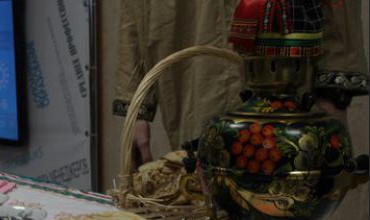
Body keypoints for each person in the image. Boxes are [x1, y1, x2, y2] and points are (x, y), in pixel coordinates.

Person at [113, 0, 369, 171]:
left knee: (284, 198)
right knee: (200, 192)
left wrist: (334, 90)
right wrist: (136, 103)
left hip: (283, 66)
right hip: (190, 54)